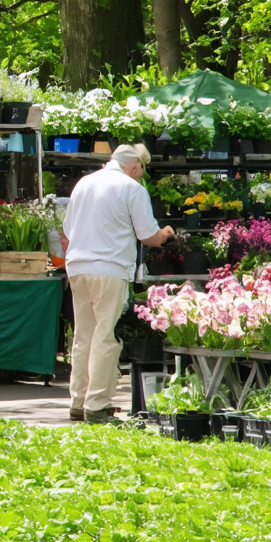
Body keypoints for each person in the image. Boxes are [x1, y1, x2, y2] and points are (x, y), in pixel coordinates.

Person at [59, 144, 174, 425]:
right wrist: (167, 234)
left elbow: (67, 232)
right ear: (136, 166)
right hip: (109, 268)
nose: (140, 177)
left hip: (78, 267)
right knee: (104, 336)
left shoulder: (85, 183)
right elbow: (149, 236)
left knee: (83, 335)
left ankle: (78, 402)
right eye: (141, 172)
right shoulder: (132, 188)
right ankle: (97, 406)